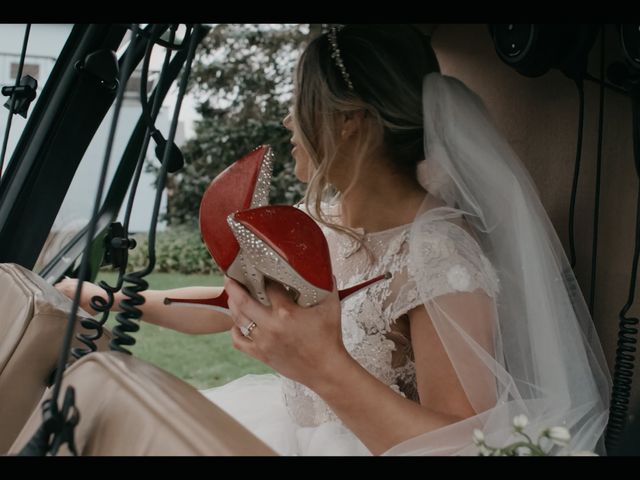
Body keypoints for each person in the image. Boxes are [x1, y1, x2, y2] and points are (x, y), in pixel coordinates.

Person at [56, 24, 611, 456]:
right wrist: (107, 301)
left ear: (349, 122)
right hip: (293, 427)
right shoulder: (321, 217)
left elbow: (461, 447)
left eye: (300, 101)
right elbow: (238, 307)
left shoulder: (440, 257)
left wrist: (320, 365)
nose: (288, 119)